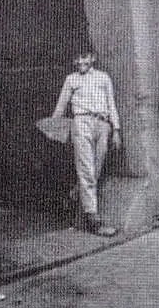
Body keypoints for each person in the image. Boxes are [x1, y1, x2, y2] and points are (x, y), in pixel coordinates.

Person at [52, 48, 121, 236]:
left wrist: (116, 129)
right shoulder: (71, 79)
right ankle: (93, 220)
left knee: (96, 170)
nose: (80, 61)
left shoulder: (103, 77)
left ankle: (75, 194)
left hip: (103, 124)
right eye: (77, 58)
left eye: (84, 57)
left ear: (92, 58)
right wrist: (53, 128)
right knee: (87, 170)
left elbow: (111, 104)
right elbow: (61, 106)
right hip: (81, 123)